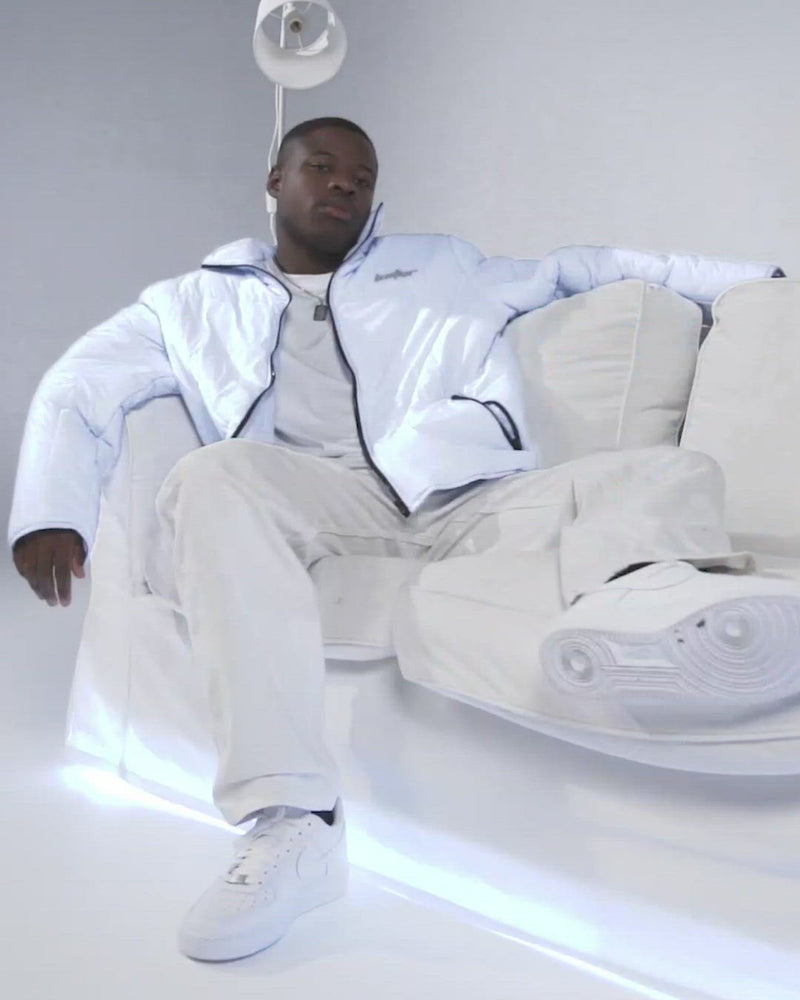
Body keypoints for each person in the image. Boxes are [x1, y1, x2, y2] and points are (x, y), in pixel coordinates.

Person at [8, 116, 797, 963]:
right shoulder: (190, 302)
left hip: (462, 494)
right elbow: (83, 380)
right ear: (275, 181)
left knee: (664, 472)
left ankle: (663, 624)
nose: (344, 185)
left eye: (362, 176)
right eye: (322, 166)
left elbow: (589, 266)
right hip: (324, 502)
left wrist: (756, 281)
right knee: (211, 474)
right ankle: (295, 822)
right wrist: (52, 510)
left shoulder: (442, 267)